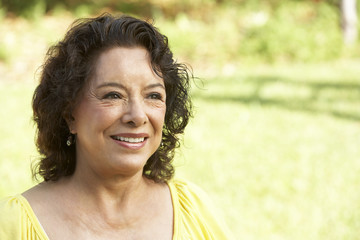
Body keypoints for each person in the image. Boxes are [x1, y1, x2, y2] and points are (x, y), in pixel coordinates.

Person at [0, 13, 231, 239]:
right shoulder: (13, 226)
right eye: (113, 95)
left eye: (153, 95)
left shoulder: (193, 210)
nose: (137, 116)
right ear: (69, 114)